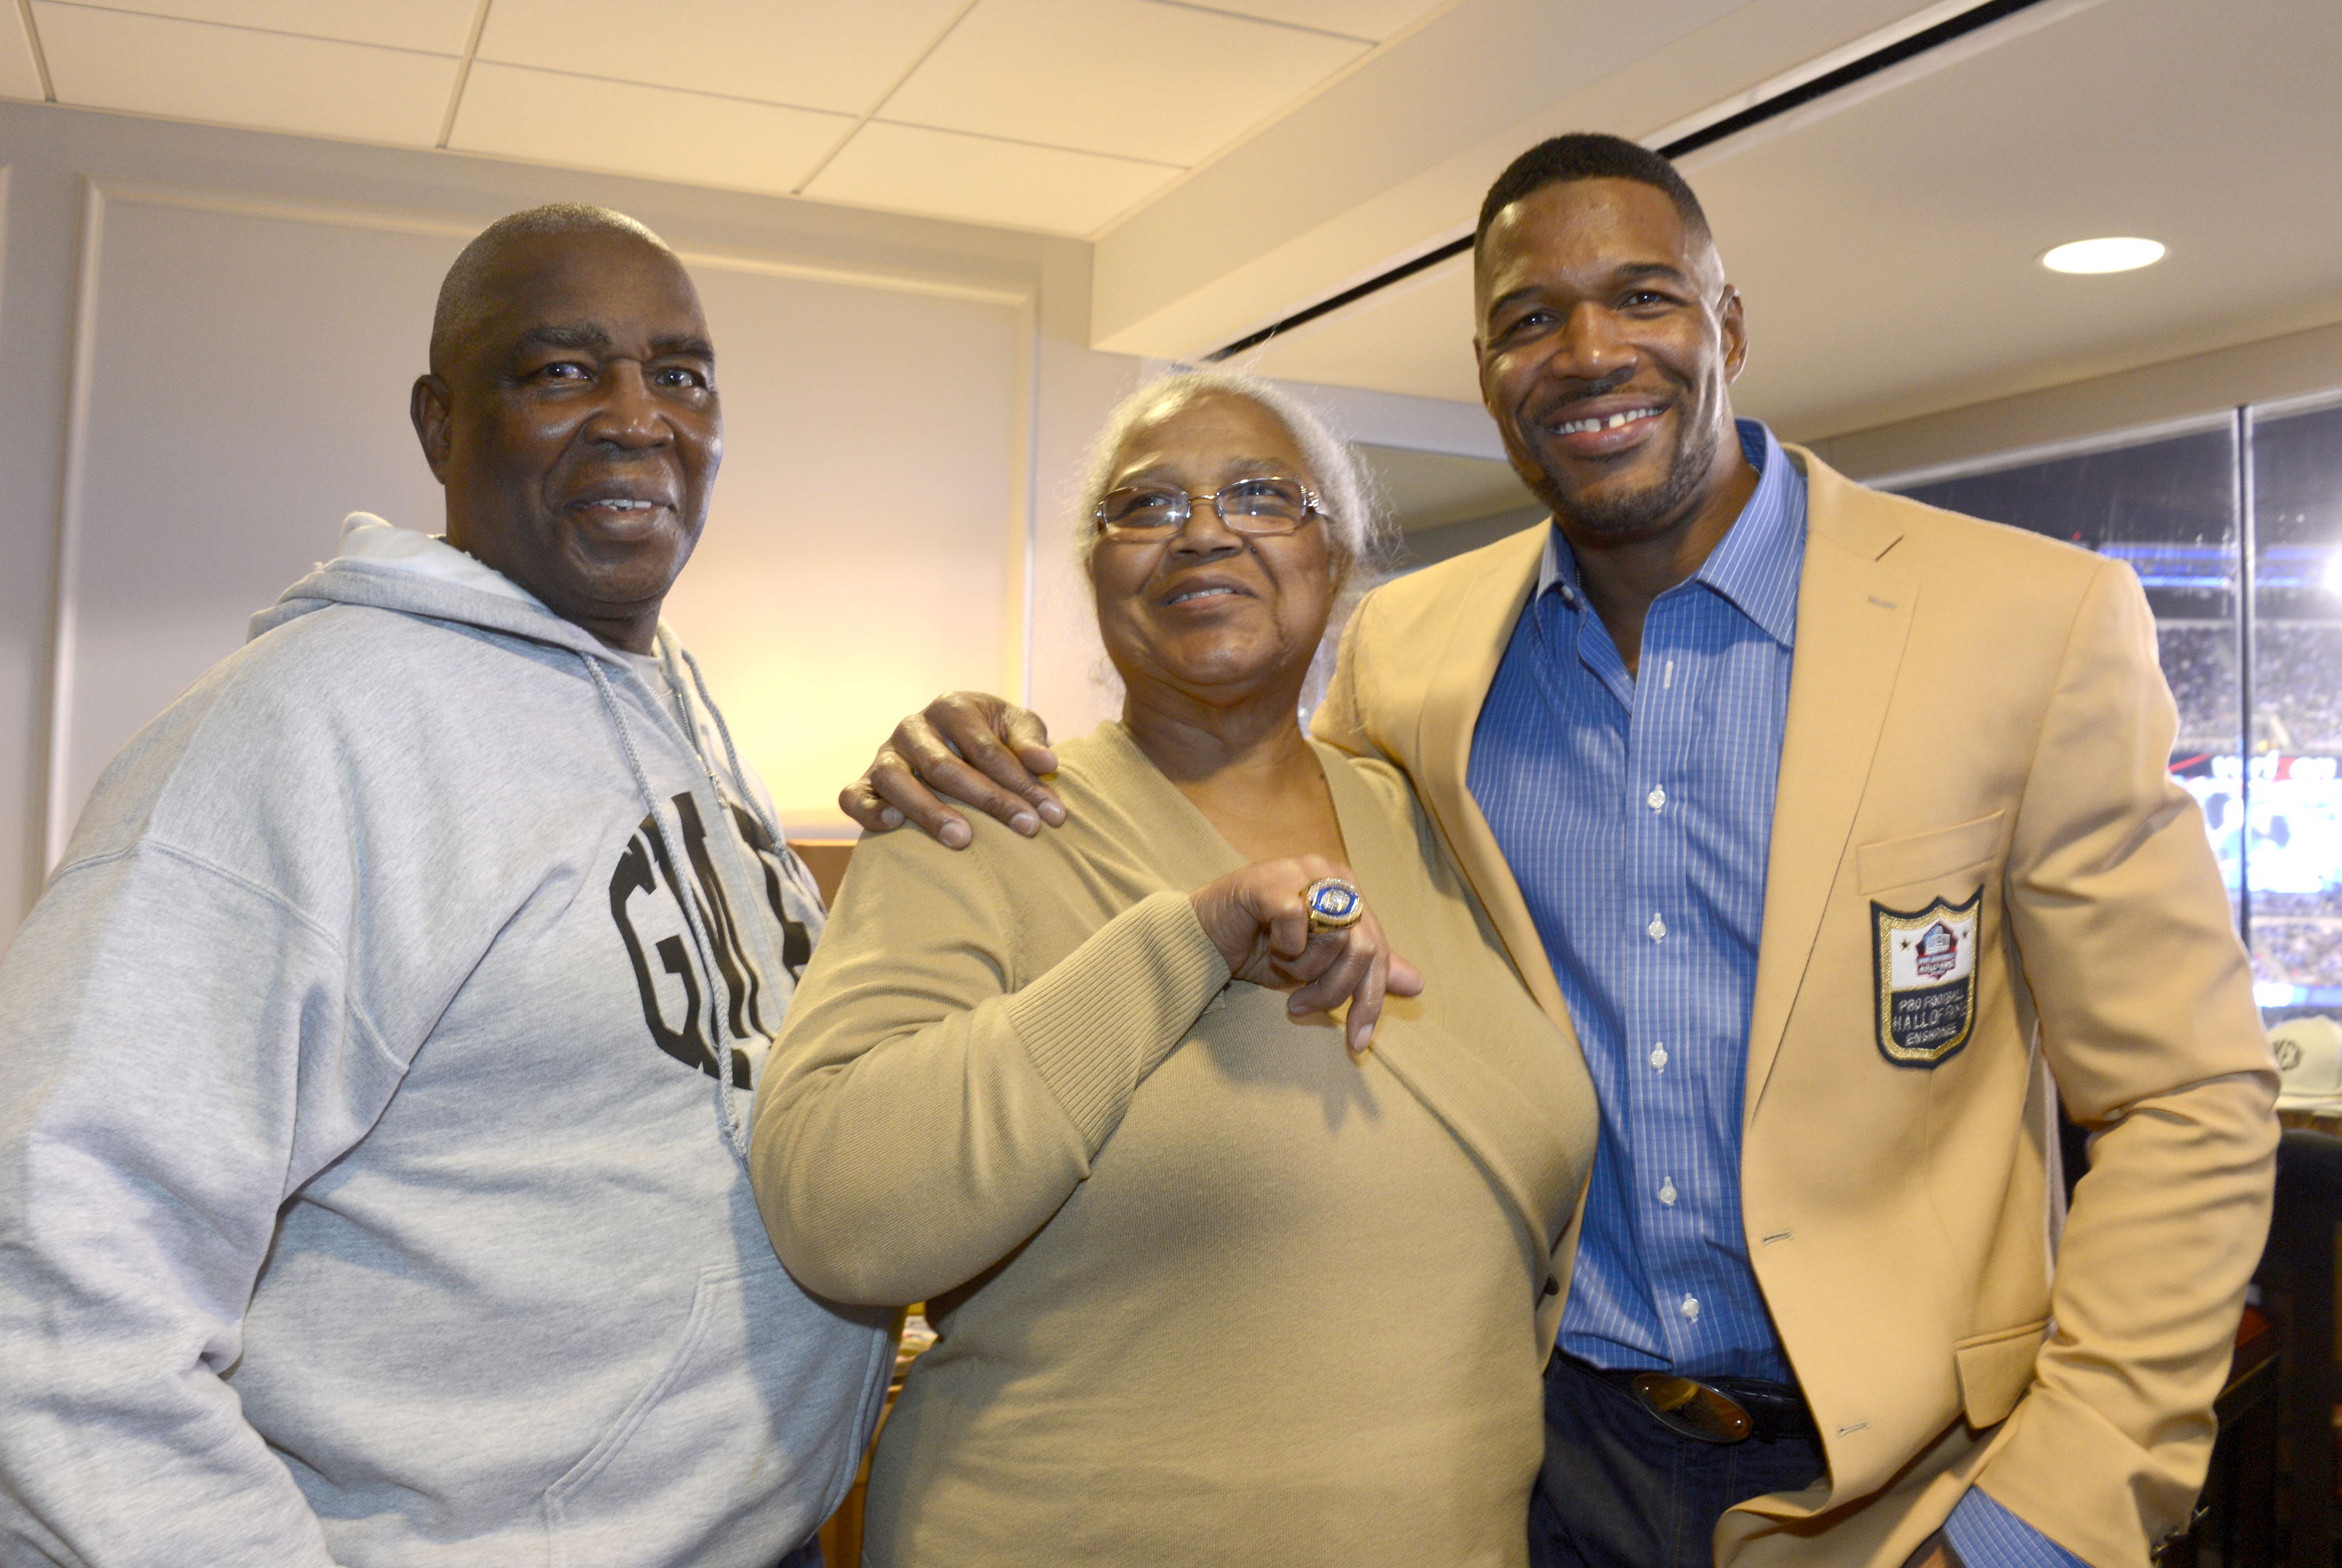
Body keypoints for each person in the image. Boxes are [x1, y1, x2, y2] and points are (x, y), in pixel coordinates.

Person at [842, 136, 2279, 1568]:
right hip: (1541, 1468)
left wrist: (2045, 1516)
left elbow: (2187, 1100)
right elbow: (1247, 809)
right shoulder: (1413, 660)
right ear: (1487, 371)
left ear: (1727, 325)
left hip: (1911, 1488)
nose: (1590, 351)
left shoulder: (2027, 619)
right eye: (1532, 318)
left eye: (1644, 298)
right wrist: (967, 736)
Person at [0, 205, 893, 1566]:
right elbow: (51, 1278)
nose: (639, 418)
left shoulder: (683, 723)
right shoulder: (301, 729)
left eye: (682, 374)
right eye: (561, 370)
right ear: (438, 423)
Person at [753, 372, 1598, 1567]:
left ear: (1338, 552)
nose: (1203, 529)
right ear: (1098, 571)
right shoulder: (978, 818)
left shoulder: (1441, 812)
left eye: (1260, 493)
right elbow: (835, 1206)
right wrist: (1181, 945)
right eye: (1145, 505)